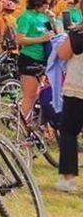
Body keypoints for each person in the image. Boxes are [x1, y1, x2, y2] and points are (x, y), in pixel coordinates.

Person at [15, 0, 56, 118]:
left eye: (48, 4)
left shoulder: (44, 17)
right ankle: (21, 126)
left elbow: (52, 34)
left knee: (37, 94)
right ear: (36, 3)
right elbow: (20, 39)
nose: (46, 7)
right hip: (29, 58)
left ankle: (29, 122)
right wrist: (40, 39)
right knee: (30, 95)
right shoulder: (26, 17)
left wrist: (52, 20)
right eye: (44, 4)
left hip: (42, 59)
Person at [55, 11, 83, 192]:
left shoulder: (78, 35)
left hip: (77, 89)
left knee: (68, 132)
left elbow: (62, 54)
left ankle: (69, 179)